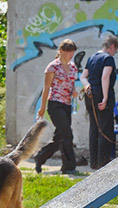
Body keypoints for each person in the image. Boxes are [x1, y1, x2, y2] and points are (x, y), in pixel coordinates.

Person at [33, 39, 79, 175]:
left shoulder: (73, 67)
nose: (71, 54)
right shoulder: (52, 67)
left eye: (72, 52)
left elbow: (71, 85)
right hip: (55, 104)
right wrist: (42, 108)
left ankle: (40, 157)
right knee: (67, 134)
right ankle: (69, 166)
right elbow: (46, 88)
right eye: (68, 51)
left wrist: (74, 91)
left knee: (59, 137)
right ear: (61, 51)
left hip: (67, 104)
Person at [79, 35, 118, 170]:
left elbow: (83, 76)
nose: (114, 53)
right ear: (112, 47)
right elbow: (105, 77)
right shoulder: (108, 58)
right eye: (115, 50)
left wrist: (87, 85)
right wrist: (105, 98)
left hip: (89, 96)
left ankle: (94, 163)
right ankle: (103, 162)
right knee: (105, 128)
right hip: (101, 95)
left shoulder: (92, 58)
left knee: (94, 128)